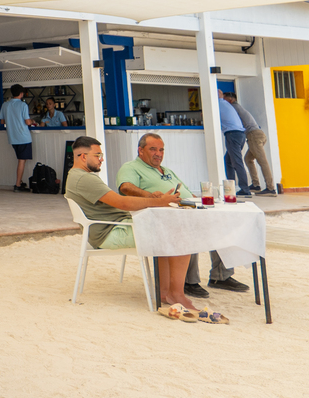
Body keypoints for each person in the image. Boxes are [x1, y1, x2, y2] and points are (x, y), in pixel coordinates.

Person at [65, 137, 197, 314]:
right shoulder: (84, 178)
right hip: (110, 232)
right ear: (83, 156)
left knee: (168, 227)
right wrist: (160, 202)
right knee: (179, 233)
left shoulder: (78, 176)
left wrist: (152, 199)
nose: (101, 159)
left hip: (111, 227)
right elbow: (123, 202)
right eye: (97, 155)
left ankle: (165, 292)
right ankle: (177, 294)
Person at [114, 132, 244, 299]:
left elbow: (187, 192)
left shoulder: (166, 170)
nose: (158, 154)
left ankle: (221, 276)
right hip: (161, 216)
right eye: (153, 149)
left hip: (184, 208)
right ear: (140, 150)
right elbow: (125, 187)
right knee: (186, 226)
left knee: (220, 221)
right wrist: (150, 196)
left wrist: (199, 202)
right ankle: (189, 281)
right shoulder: (131, 167)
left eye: (161, 150)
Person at [225, 91, 276, 195]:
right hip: (256, 134)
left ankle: (270, 188)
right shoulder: (238, 107)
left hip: (253, 135)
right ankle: (256, 185)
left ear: (230, 100)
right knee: (248, 159)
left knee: (262, 161)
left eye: (224, 99)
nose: (223, 102)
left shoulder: (233, 107)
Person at [216, 93, 252, 198]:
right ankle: (230, 188)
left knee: (237, 162)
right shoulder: (226, 104)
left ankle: (245, 189)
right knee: (228, 161)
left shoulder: (217, 104)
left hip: (233, 134)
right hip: (240, 135)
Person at [0, 84, 34, 192]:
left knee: (20, 159)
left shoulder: (5, 105)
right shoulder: (23, 105)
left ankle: (20, 182)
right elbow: (27, 122)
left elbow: (2, 121)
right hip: (23, 136)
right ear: (21, 93)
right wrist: (32, 121)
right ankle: (17, 185)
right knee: (22, 161)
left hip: (12, 137)